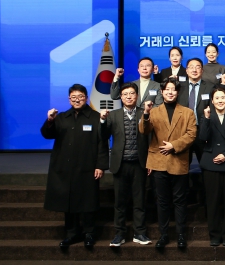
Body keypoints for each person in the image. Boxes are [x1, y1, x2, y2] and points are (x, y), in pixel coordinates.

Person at [41, 84, 108, 250]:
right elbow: (48, 135)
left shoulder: (95, 117)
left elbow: (102, 143)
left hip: (87, 167)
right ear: (69, 99)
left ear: (86, 98)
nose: (77, 100)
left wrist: (100, 165)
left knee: (88, 201)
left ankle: (89, 233)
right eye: (73, 97)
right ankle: (71, 233)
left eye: (80, 97)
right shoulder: (61, 117)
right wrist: (49, 120)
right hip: (65, 167)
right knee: (68, 201)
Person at [140, 77, 197, 250]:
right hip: (158, 162)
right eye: (167, 90)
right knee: (162, 201)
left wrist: (174, 145)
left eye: (173, 89)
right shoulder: (154, 111)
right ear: (162, 92)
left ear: (177, 92)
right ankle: (163, 235)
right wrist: (146, 113)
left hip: (178, 160)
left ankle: (181, 235)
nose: (170, 92)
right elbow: (144, 130)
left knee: (180, 201)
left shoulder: (187, 112)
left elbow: (191, 134)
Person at [100, 82, 151, 248]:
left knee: (140, 201)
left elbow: (151, 139)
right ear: (120, 97)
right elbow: (103, 136)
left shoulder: (145, 113)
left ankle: (140, 233)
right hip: (120, 164)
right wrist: (102, 121)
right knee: (120, 202)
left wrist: (151, 161)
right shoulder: (113, 115)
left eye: (132, 93)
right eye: (125, 94)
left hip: (139, 163)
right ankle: (119, 234)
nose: (129, 97)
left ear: (137, 96)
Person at [198, 87, 225, 247]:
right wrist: (206, 118)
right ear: (212, 101)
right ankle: (214, 235)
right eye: (217, 98)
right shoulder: (207, 116)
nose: (220, 100)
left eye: (223, 97)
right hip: (211, 163)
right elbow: (203, 137)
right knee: (213, 201)